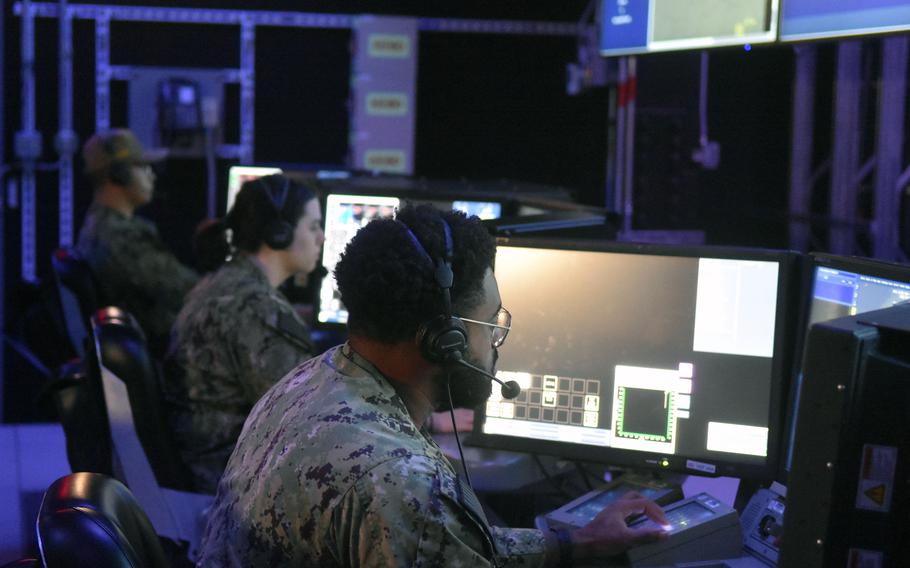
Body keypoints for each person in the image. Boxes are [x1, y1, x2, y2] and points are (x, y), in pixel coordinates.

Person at [198, 204, 668, 566]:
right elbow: (423, 524)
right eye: (490, 323)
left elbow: (445, 545)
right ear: (446, 340)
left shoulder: (310, 380)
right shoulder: (405, 483)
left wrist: (574, 541)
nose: (498, 341)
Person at [163, 174, 325, 493]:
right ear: (279, 234)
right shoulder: (255, 307)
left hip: (212, 461)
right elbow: (312, 415)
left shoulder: (226, 284)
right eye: (313, 226)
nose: (321, 237)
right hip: (232, 479)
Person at [76, 128, 198, 355]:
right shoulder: (121, 236)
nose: (151, 175)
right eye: (142, 167)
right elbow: (185, 290)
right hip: (162, 352)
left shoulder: (96, 225)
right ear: (119, 174)